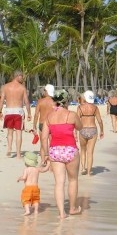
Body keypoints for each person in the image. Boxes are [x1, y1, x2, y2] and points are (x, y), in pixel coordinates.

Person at [41, 89, 83, 219]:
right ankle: (72, 208)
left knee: (59, 182)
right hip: (70, 149)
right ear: (66, 101)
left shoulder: (49, 116)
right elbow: (80, 127)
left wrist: (46, 154)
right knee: (73, 179)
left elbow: (43, 137)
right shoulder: (72, 114)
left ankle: (61, 213)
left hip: (55, 150)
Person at [0, 70, 32, 159]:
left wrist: (0, 111)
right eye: (21, 76)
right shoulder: (22, 88)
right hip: (18, 111)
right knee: (19, 133)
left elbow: (1, 100)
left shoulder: (5, 87)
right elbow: (26, 102)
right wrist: (29, 113)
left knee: (9, 132)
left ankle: (9, 148)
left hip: (8, 111)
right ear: (17, 76)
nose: (22, 78)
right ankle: (18, 154)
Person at [77, 90, 104, 176]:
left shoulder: (80, 107)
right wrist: (102, 130)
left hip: (83, 129)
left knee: (83, 150)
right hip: (93, 129)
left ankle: (82, 168)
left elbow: (76, 120)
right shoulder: (95, 108)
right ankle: (89, 172)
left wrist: (74, 131)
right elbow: (99, 120)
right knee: (90, 152)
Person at [17, 151, 51, 216]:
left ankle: (27, 211)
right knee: (36, 199)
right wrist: (48, 164)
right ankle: (36, 211)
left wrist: (19, 178)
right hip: (35, 187)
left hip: (28, 187)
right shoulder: (37, 169)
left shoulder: (26, 169)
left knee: (25, 199)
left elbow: (24, 178)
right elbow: (45, 169)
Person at [32, 84, 55, 160]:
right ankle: (51, 164)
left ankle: (43, 161)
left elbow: (36, 115)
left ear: (47, 91)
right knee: (52, 144)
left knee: (42, 145)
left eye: (44, 90)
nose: (44, 92)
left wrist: (34, 126)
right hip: (52, 124)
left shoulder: (40, 101)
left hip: (42, 124)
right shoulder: (54, 102)